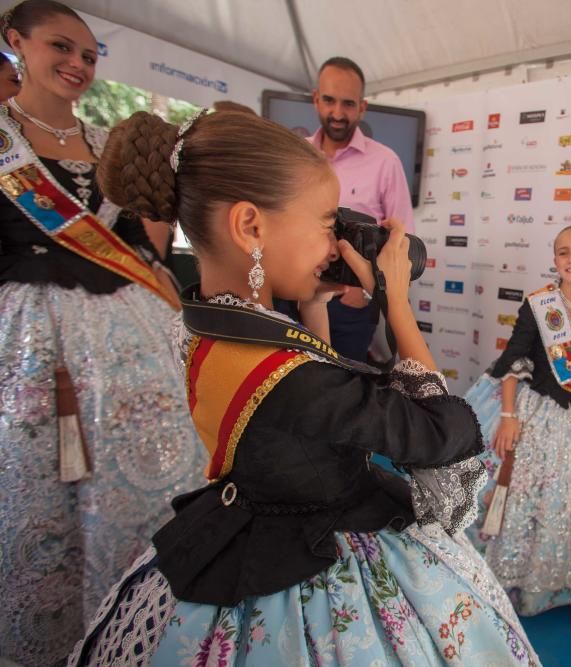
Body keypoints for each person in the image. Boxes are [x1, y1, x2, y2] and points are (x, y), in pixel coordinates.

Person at [69, 109, 538, 666]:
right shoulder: (295, 381)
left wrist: (312, 308)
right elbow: (443, 437)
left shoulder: (203, 319)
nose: (334, 241)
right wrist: (396, 305)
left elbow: (302, 401)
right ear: (250, 226)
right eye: (324, 222)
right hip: (313, 561)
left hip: (240, 523)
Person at [0, 2, 203, 665]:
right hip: (26, 344)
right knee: (37, 498)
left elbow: (122, 241)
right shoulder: (4, 141)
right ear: (15, 44)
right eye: (61, 47)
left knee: (139, 483)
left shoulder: (101, 138)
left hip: (123, 341)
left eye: (90, 56)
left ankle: (125, 623)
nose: (78, 65)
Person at [464, 225, 571, 615]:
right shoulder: (540, 304)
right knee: (525, 491)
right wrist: (507, 415)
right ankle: (509, 577)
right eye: (563, 252)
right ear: (555, 260)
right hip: (532, 404)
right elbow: (514, 360)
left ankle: (563, 579)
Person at [280, 55, 414, 363]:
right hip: (291, 295)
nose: (337, 113)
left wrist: (362, 293)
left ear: (362, 107)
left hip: (349, 305)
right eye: (329, 100)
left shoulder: (385, 161)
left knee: (341, 396)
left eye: (348, 104)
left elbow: (402, 239)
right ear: (315, 100)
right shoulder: (297, 156)